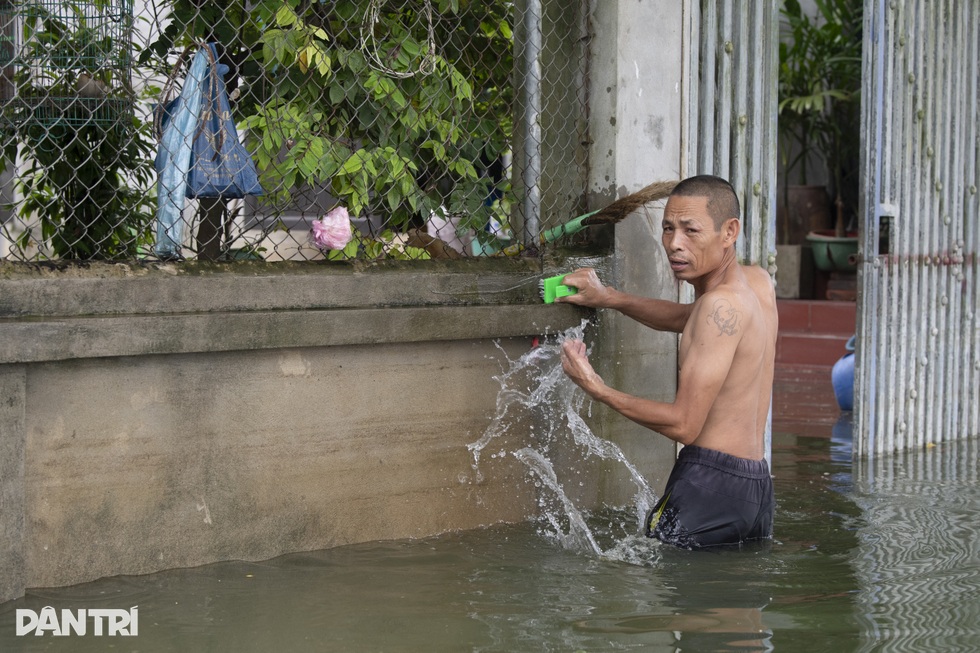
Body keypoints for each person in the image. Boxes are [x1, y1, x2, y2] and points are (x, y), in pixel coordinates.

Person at [557, 175, 777, 549]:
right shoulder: (756, 285)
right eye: (668, 229)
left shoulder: (717, 307)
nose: (675, 244)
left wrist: (598, 389)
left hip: (707, 486)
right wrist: (609, 297)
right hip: (755, 490)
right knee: (735, 607)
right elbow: (690, 319)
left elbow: (684, 424)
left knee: (676, 602)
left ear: (730, 231)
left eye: (691, 231)